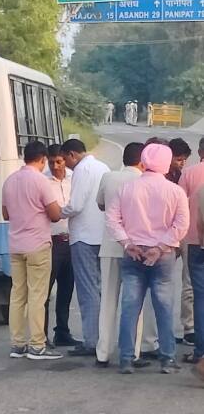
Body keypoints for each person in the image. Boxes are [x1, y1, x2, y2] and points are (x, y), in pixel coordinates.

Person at [106, 143, 189, 374]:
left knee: (130, 306)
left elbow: (112, 219)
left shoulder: (127, 188)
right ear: (167, 163)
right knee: (164, 307)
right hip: (162, 256)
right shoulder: (175, 191)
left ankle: (126, 359)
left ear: (144, 160)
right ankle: (168, 359)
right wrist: (161, 246)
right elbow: (181, 224)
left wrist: (126, 243)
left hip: (133, 253)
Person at [2, 141, 63, 361]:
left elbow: (5, 214)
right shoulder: (41, 181)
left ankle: (17, 344)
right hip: (37, 244)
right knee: (38, 296)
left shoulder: (9, 181)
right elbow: (55, 214)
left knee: (18, 295)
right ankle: (37, 345)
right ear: (42, 159)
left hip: (15, 245)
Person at [95, 142, 147, 367]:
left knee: (107, 299)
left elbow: (101, 204)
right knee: (136, 303)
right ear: (142, 161)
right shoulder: (143, 181)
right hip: (136, 248)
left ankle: (103, 352)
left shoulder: (108, 177)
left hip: (109, 245)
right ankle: (133, 352)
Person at [60, 139, 110, 356]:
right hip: (102, 235)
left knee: (87, 290)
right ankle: (101, 338)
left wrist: (57, 212)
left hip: (83, 237)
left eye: (66, 160)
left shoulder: (81, 169)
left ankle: (91, 341)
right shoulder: (103, 167)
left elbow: (76, 204)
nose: (67, 166)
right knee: (100, 288)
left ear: (72, 154)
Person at [45, 145, 80, 346]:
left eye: (59, 161)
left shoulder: (75, 178)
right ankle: (41, 335)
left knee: (66, 290)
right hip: (52, 241)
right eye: (51, 162)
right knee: (45, 292)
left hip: (72, 240)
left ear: (65, 160)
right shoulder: (42, 181)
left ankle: (62, 331)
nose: (56, 166)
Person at [166, 138, 195, 346]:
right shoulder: (163, 176)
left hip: (179, 234)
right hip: (165, 236)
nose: (181, 163)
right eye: (178, 159)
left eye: (184, 160)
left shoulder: (180, 175)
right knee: (164, 285)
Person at [179, 138, 204, 363]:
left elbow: (179, 204)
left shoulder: (189, 173)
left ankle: (191, 330)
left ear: (199, 152)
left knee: (192, 288)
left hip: (193, 238)